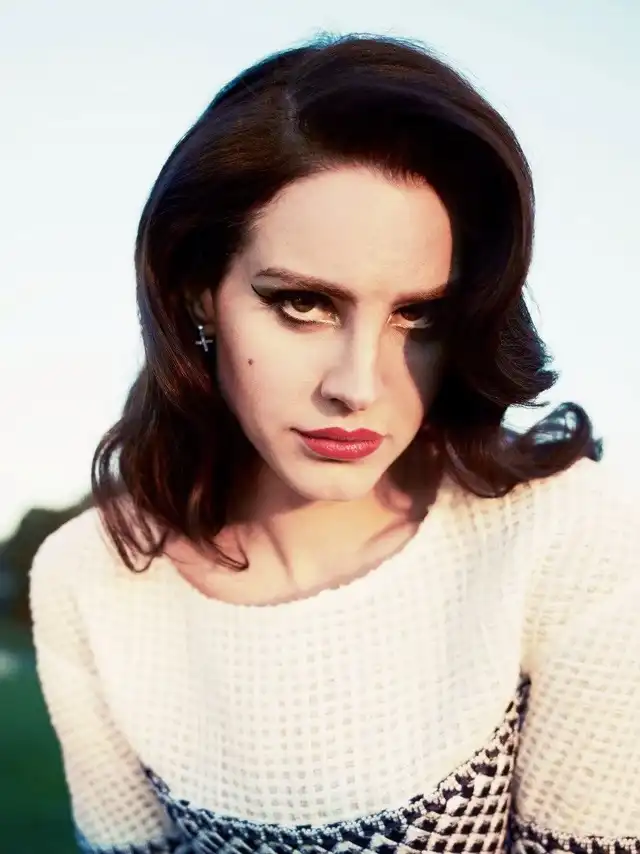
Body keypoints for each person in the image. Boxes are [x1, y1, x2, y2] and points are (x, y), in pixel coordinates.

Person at [29, 32, 638, 854]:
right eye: (305, 304)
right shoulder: (90, 579)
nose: (358, 385)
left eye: (417, 315)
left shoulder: (567, 537)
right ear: (197, 291)